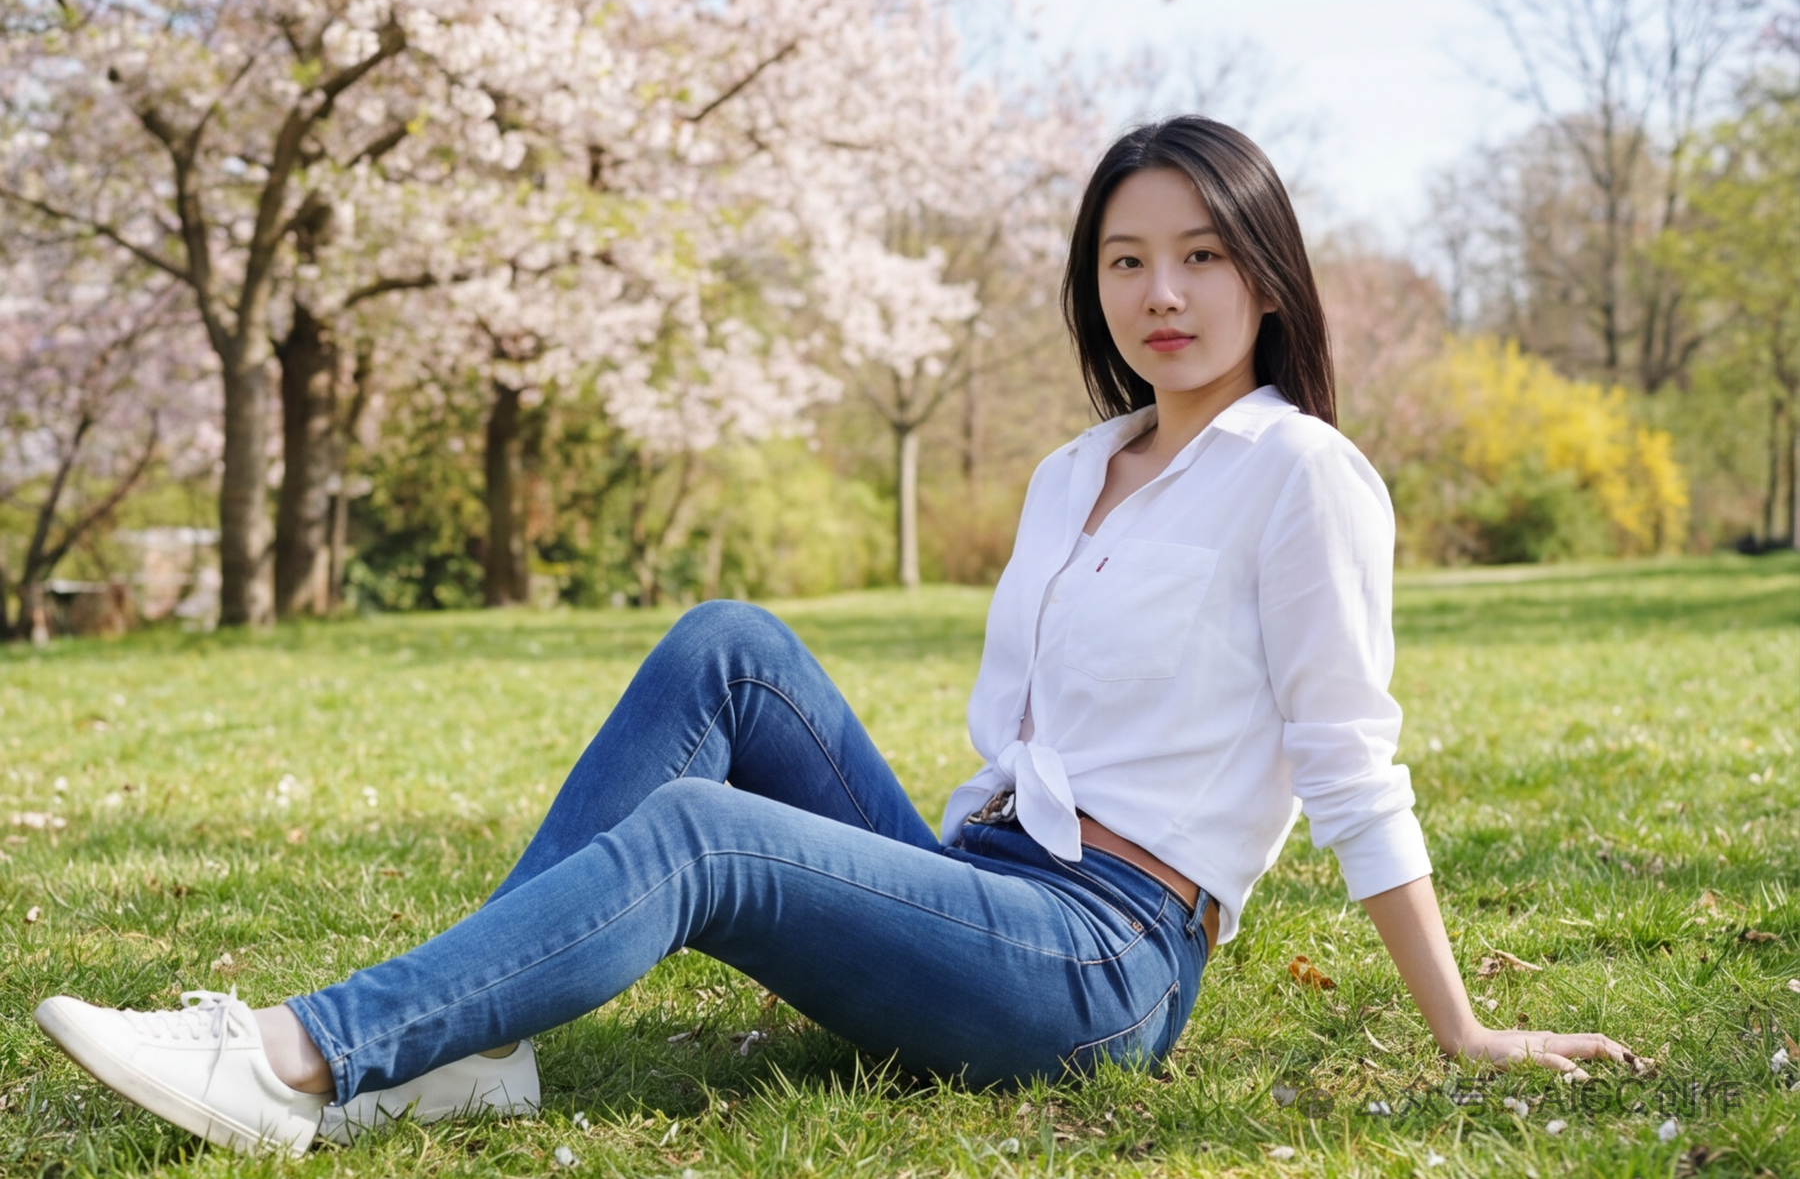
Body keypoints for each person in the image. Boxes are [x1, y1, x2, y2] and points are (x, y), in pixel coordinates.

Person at [33, 116, 1635, 1157]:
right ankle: (479, 1045)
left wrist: (1467, 1028)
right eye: (1129, 258)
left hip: (1106, 958)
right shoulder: (1078, 467)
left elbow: (1355, 765)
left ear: (1270, 275)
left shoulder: (1305, 478)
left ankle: (301, 1056)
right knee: (730, 643)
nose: (1165, 291)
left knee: (698, 836)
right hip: (994, 880)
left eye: (1205, 255)